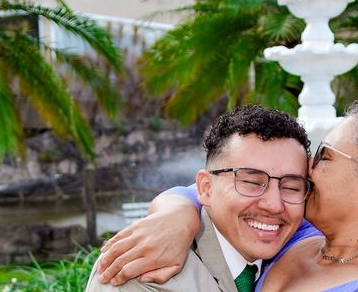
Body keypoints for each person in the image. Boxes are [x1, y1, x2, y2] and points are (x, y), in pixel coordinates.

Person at [97, 98, 358, 292]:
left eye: (324, 156)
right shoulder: (302, 235)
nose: (306, 168)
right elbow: (209, 190)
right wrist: (175, 214)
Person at [85, 104, 313, 292]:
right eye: (251, 182)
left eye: (291, 187)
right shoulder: (146, 271)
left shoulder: (304, 256)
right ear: (205, 188)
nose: (274, 205)